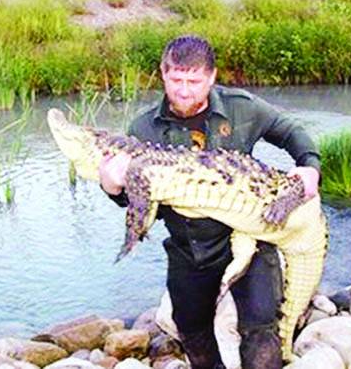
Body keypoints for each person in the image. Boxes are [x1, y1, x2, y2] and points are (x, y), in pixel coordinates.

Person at [100, 35, 320, 369]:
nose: (184, 90)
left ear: (212, 77)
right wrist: (112, 186)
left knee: (261, 330)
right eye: (176, 80)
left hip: (249, 235)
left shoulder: (241, 107)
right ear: (163, 74)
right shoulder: (143, 128)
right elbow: (139, 204)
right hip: (190, 247)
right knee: (192, 331)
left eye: (194, 81)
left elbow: (289, 131)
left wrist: (309, 166)